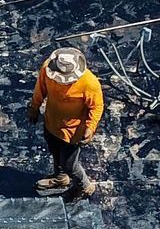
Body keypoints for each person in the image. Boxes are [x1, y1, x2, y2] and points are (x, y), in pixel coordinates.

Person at [28, 46, 104, 201]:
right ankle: (60, 178)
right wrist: (34, 108)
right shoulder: (47, 69)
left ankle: (84, 186)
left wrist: (90, 128)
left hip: (73, 132)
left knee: (69, 164)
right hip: (51, 122)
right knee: (55, 151)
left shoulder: (89, 83)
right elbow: (40, 89)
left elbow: (96, 106)